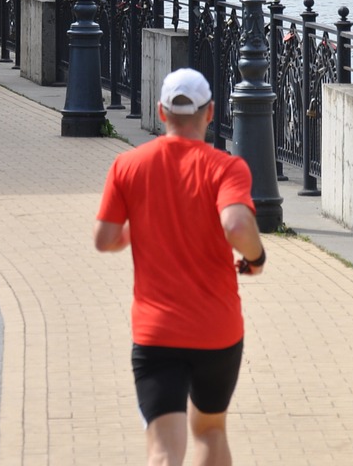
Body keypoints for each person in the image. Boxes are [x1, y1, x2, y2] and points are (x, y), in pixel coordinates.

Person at [95, 68, 265, 466]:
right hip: (217, 330)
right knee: (209, 429)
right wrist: (256, 259)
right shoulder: (225, 167)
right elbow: (237, 224)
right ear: (210, 114)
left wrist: (138, 227)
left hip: (156, 333)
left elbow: (105, 238)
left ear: (160, 112)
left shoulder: (128, 165)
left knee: (163, 451)